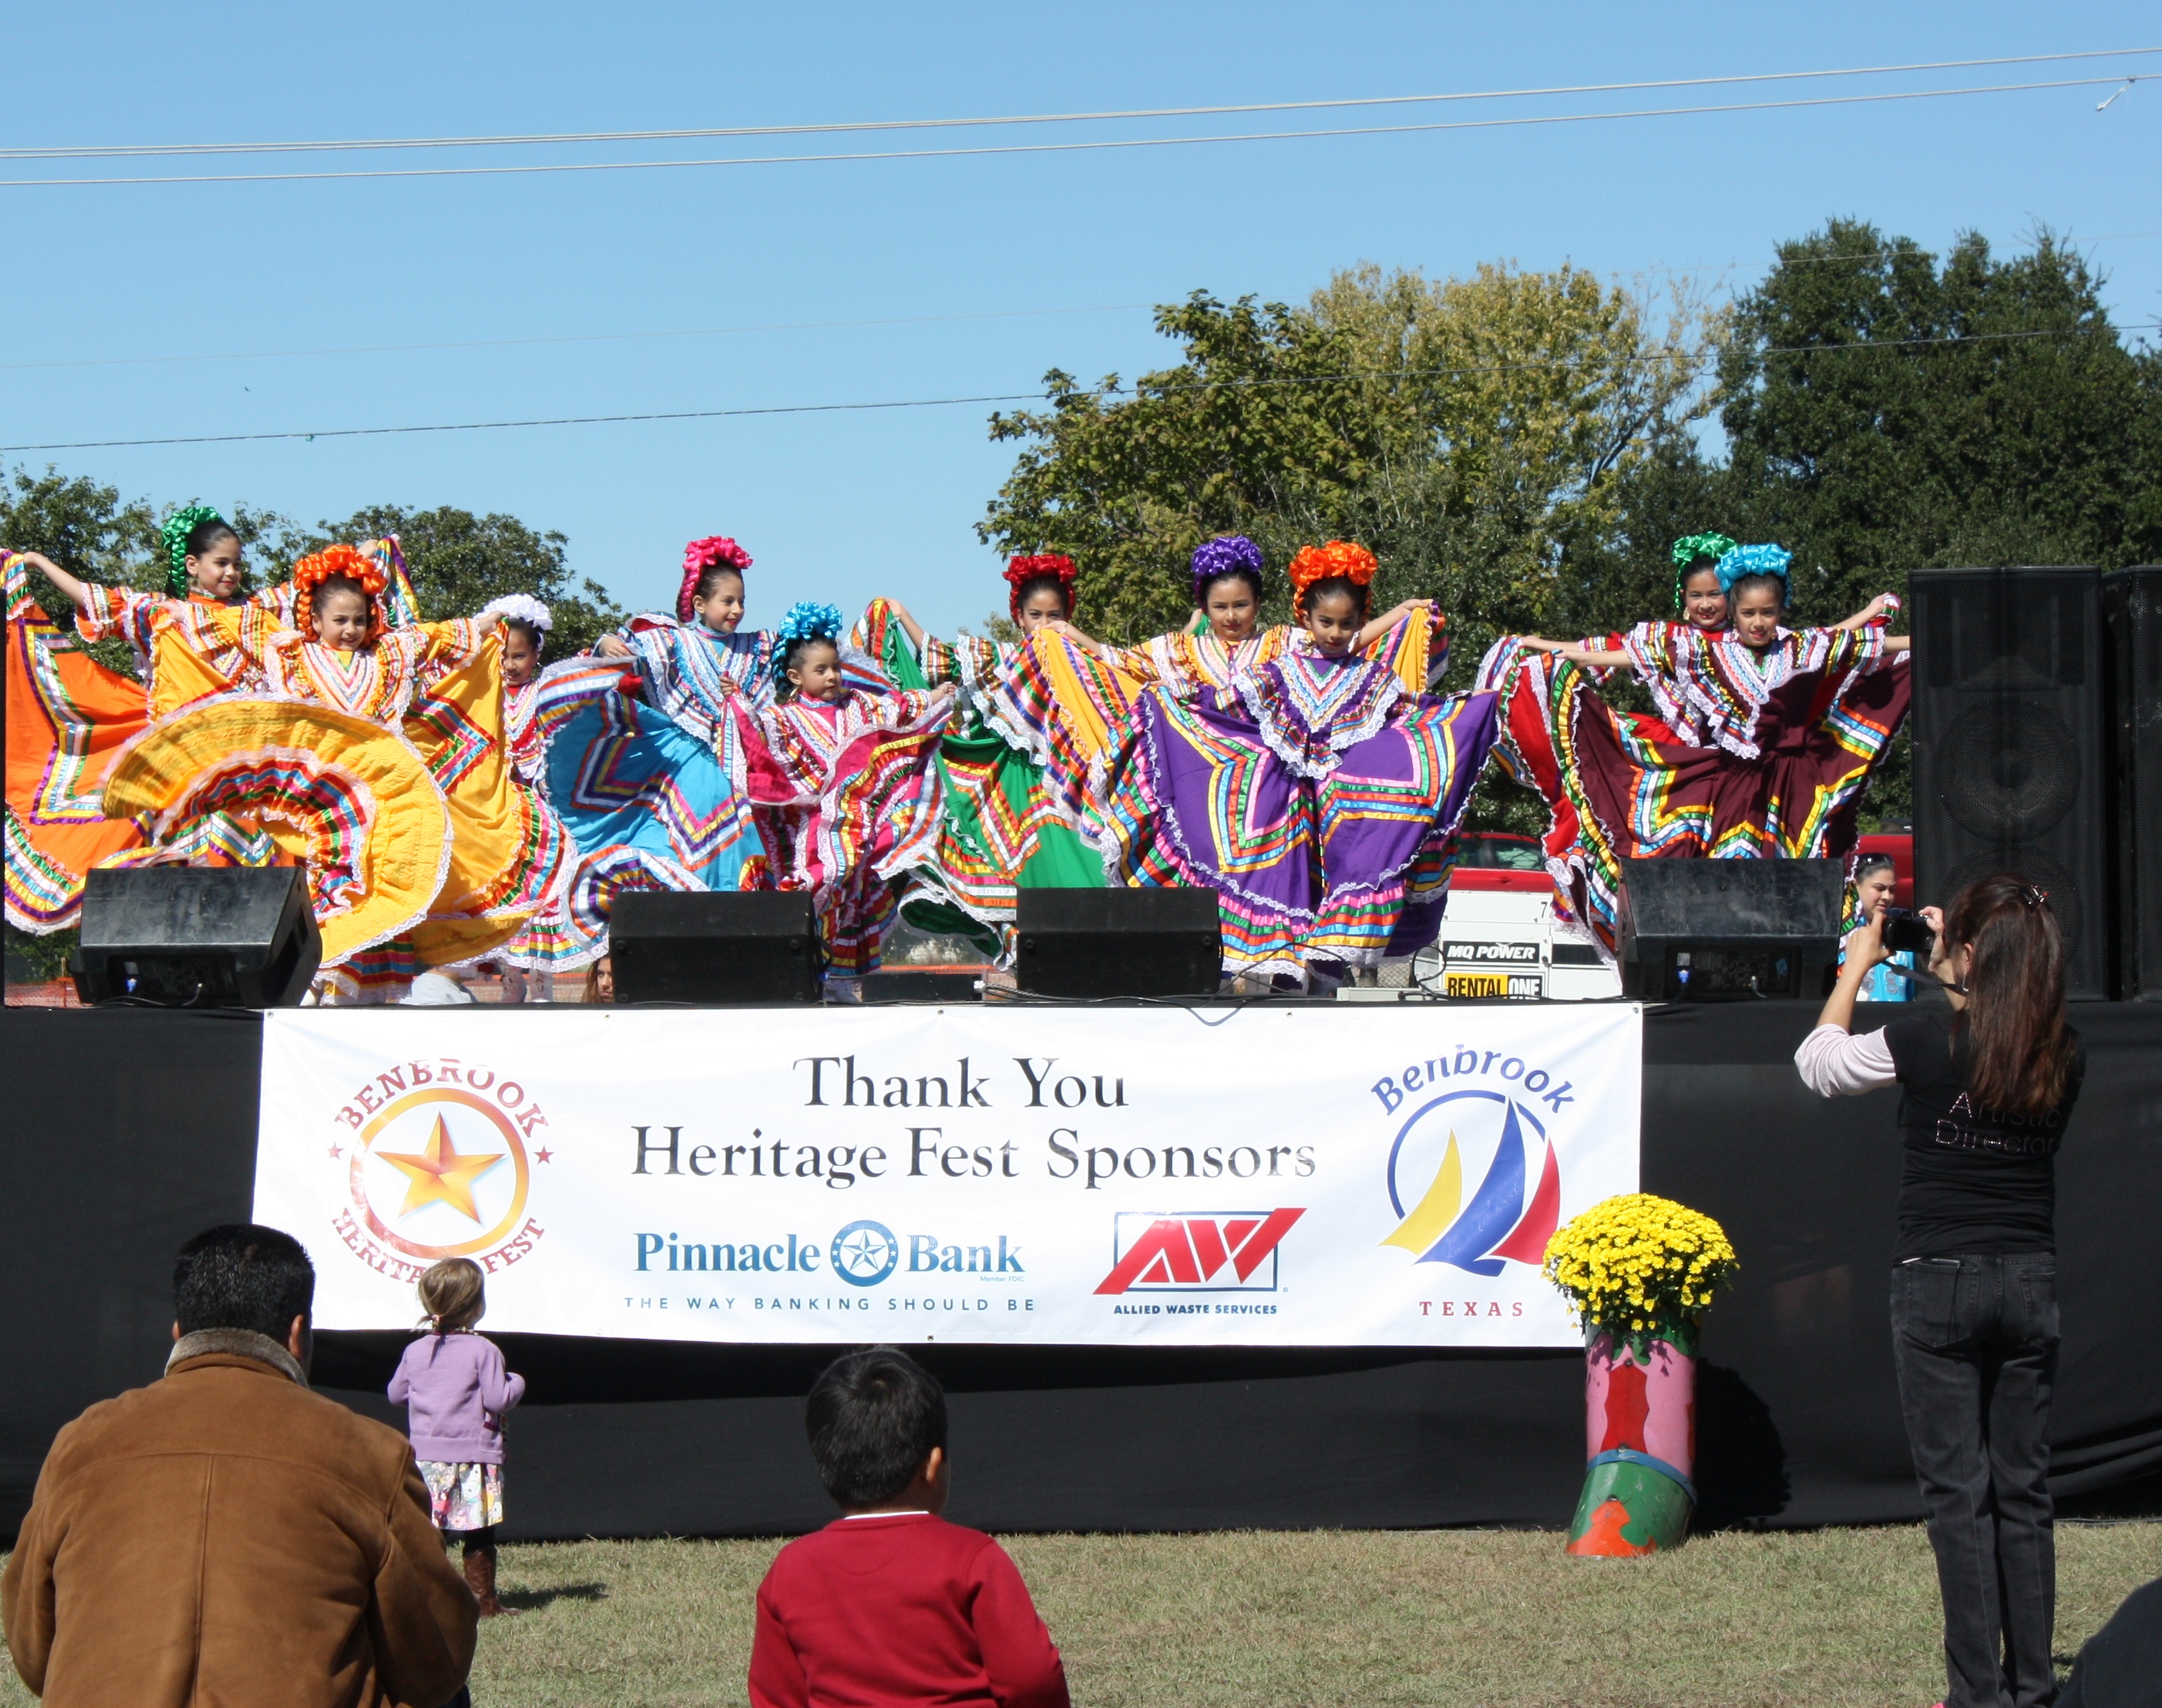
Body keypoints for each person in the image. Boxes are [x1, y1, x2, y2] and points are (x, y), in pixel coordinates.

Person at [1794, 874, 2084, 1708]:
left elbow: (1819, 1064)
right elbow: (1995, 1026)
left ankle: (1976, 1694)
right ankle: (2033, 1689)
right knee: (2022, 1492)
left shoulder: (1923, 1036)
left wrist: (1857, 965)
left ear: (1970, 953)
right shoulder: (2064, 1048)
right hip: (2027, 1277)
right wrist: (1954, 956)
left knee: (1959, 1498)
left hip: (1938, 1281)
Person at [2, 1224, 476, 1708]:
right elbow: (436, 1663)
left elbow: (34, 1653)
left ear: (178, 1333)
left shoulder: (81, 1443)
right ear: (298, 1334)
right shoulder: (370, 1452)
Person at [1474, 539, 1911, 955]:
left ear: (1779, 612)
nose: (1758, 622)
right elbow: (1611, 653)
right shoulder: (1697, 649)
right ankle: (1712, 958)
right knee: (1712, 863)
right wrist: (1550, 652)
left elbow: (1853, 644)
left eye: (1767, 612)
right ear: (1732, 611)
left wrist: (1923, 636)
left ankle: (1786, 963)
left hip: (1789, 783)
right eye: (1749, 613)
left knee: (1792, 874)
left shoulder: (1798, 646)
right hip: (1725, 781)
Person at [748, 1347, 1069, 1708]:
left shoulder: (791, 1568)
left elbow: (775, 1695)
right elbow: (1032, 1678)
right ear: (933, 1466)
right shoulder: (972, 1558)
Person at [854, 555, 1105, 961]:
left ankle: (1092, 956)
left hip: (1069, 785)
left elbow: (1123, 668)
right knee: (1022, 882)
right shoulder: (1002, 657)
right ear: (1019, 617)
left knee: (1085, 869)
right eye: (1036, 615)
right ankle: (1033, 960)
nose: (1045, 625)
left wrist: (1074, 636)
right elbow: (942, 658)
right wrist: (903, 616)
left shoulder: (1083, 664)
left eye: (1055, 616)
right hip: (1009, 785)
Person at [538, 535, 771, 943]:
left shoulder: (758, 648)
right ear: (700, 604)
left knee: (744, 854)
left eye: (741, 601)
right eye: (728, 601)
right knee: (682, 855)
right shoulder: (671, 642)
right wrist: (606, 643)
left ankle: (734, 941)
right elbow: (622, 650)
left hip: (743, 773)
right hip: (684, 769)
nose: (737, 610)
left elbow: (801, 664)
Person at [745, 602, 955, 995]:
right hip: (810, 831)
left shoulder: (858, 704)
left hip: (858, 827)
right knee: (818, 890)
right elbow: (755, 742)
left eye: (835, 667)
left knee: (852, 900)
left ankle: (839, 982)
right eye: (820, 670)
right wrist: (735, 706)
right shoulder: (782, 718)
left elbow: (899, 708)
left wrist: (935, 696)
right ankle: (801, 973)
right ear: (795, 676)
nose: (832, 676)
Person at [389, 1259, 528, 1619]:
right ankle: (484, 1603)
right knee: (479, 1530)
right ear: (476, 1306)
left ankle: (426, 1601)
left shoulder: (415, 1351)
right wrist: (517, 1382)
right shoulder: (485, 1350)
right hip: (474, 1457)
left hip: (426, 1458)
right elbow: (498, 1399)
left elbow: (395, 1394)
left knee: (431, 1531)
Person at [1843, 852, 1914, 1001]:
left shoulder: (1903, 935)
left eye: (1892, 890)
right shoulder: (1842, 939)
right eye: (1879, 888)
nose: (1887, 897)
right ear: (1855, 886)